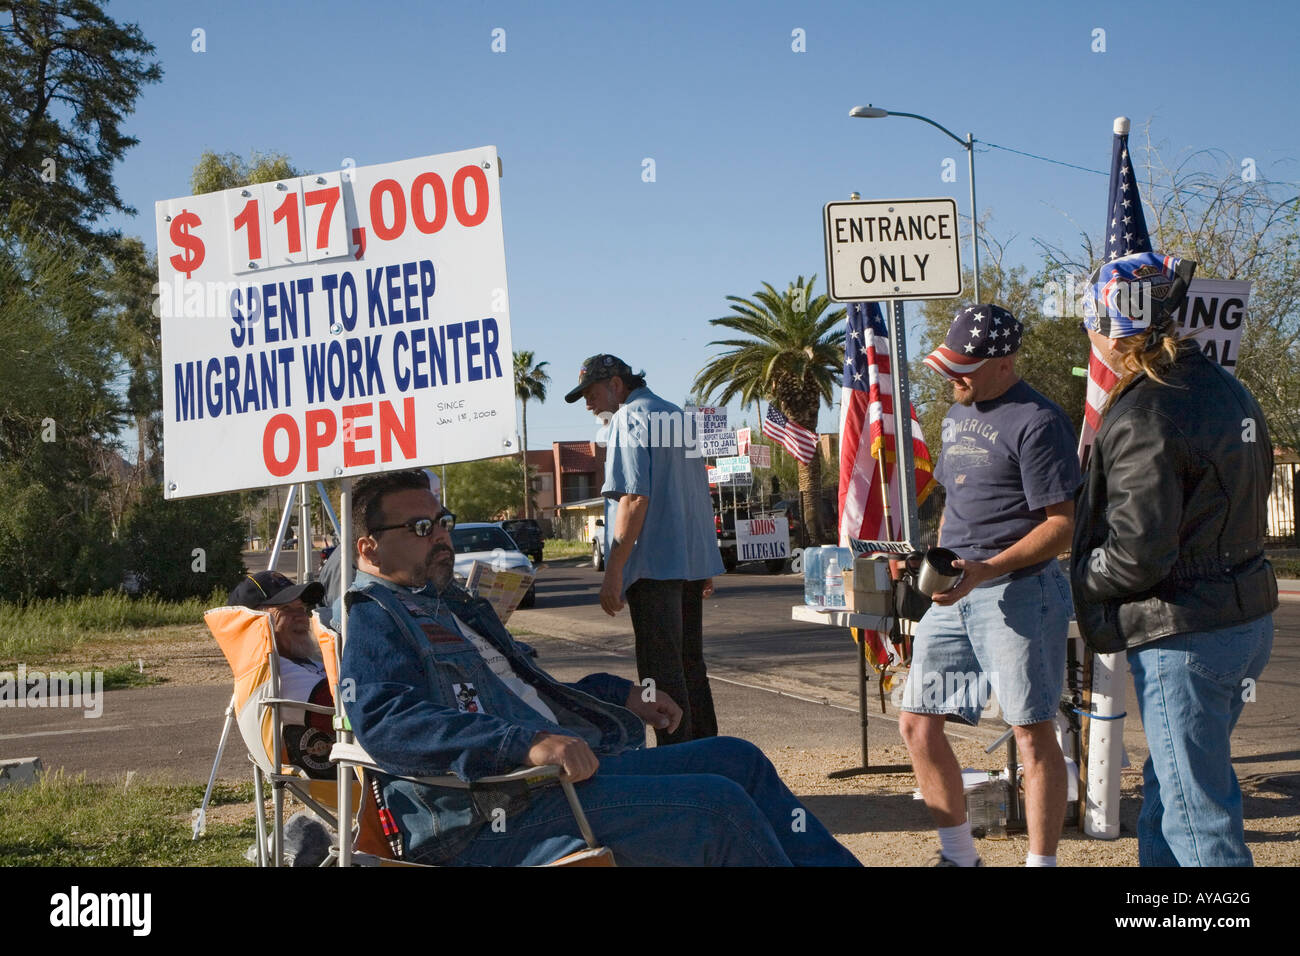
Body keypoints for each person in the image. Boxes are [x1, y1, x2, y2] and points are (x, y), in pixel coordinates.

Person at [340, 469, 859, 866]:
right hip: (497, 807)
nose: (441, 537)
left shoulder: (449, 602)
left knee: (738, 760)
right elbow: (387, 723)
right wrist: (522, 744)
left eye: (442, 522)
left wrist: (620, 693)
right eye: (421, 527)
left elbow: (528, 692)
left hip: (552, 777)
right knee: (717, 805)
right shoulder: (376, 612)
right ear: (369, 547)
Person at [1072, 251, 1277, 867]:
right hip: (1240, 617)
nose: (1094, 340)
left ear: (1117, 331)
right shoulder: (1225, 387)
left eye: (1095, 326)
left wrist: (1081, 573)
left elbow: (1138, 553)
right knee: (1171, 794)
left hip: (1184, 635)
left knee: (1198, 819)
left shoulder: (1146, 411)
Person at [900, 304, 1081, 867]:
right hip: (956, 592)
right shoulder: (957, 414)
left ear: (1004, 363)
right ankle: (959, 857)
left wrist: (988, 569)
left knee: (1030, 733)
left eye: (965, 368)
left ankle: (1040, 863)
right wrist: (929, 560)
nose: (954, 377)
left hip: (1021, 593)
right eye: (949, 365)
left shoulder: (1039, 420)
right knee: (917, 724)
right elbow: (961, 504)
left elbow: (1062, 526)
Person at [564, 354, 724, 746]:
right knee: (690, 665)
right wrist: (702, 564)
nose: (588, 402)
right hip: (686, 564)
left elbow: (634, 498)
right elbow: (696, 496)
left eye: (591, 392)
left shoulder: (628, 419)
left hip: (652, 569)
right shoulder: (676, 417)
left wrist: (614, 571)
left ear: (616, 385)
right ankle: (708, 752)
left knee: (657, 673)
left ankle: (677, 760)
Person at [227, 571, 333, 775]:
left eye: (302, 608)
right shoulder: (278, 674)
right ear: (258, 622)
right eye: (286, 609)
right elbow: (351, 715)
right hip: (352, 782)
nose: (302, 617)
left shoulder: (297, 662)